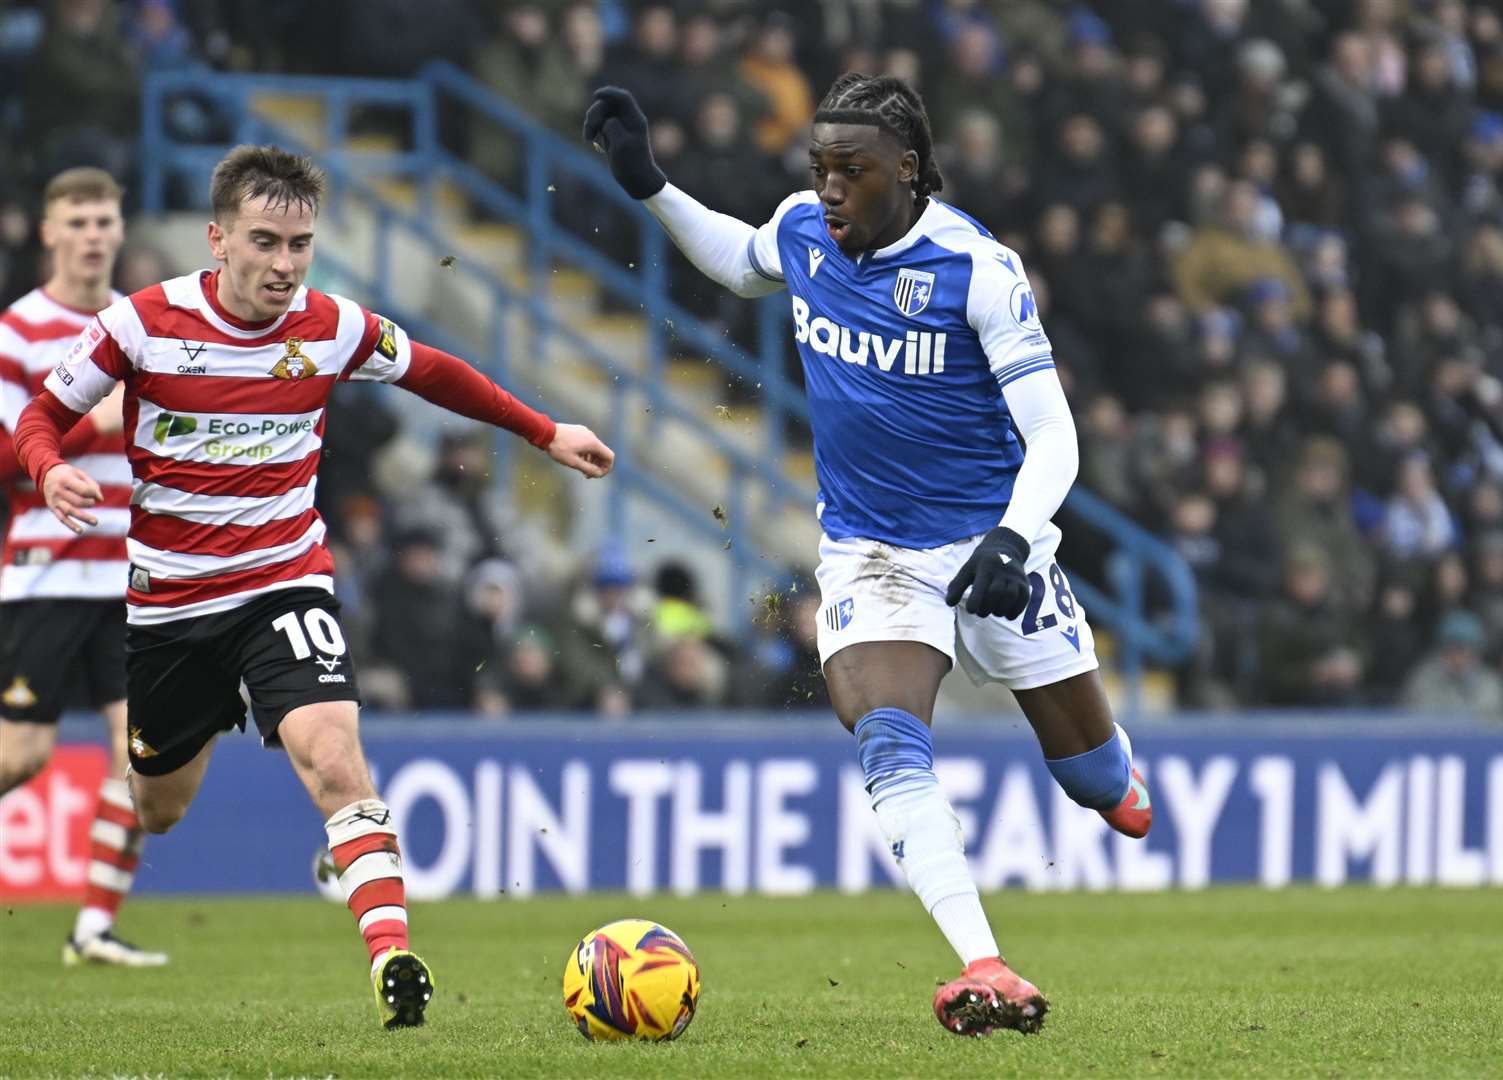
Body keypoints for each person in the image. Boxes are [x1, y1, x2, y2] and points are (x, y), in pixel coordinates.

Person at [584, 76, 1151, 1036]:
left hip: (991, 546)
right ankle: (984, 963)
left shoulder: (977, 269)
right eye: (820, 169)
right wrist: (650, 184)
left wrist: (1016, 536)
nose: (831, 188)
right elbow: (738, 260)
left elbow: (1053, 435)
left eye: (852, 170)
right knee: (887, 738)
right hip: (870, 551)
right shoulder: (805, 229)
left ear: (909, 172)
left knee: (1101, 788)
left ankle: (1116, 774)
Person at [11, 145, 614, 1027]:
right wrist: (47, 466)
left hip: (283, 581)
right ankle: (340, 845)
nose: (285, 266)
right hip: (172, 607)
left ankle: (392, 960)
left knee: (335, 758)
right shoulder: (140, 325)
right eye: (265, 242)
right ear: (217, 239)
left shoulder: (332, 325)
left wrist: (541, 428)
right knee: (159, 806)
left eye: (300, 245)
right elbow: (39, 415)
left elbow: (435, 370)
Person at [0, 167, 164, 967]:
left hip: (131, 575)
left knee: (142, 754)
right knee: (22, 756)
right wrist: (92, 425)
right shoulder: (18, 331)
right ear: (50, 232)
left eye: (107, 219)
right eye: (80, 220)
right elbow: (4, 453)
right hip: (49, 572)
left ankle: (93, 927)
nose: (96, 234)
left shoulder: (137, 326)